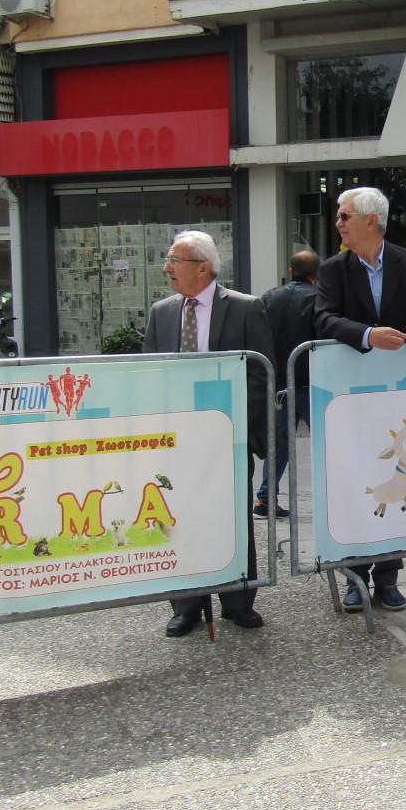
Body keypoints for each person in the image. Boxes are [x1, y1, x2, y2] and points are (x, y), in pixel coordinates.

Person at [315, 187, 406, 612]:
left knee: (396, 482)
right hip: (351, 398)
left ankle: (389, 577)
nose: (338, 223)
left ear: (370, 221)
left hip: (398, 398)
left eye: (345, 216)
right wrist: (366, 335)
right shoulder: (333, 269)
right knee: (359, 481)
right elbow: (322, 318)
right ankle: (355, 575)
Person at [143, 229, 273, 638]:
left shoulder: (245, 308)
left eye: (174, 261)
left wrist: (247, 433)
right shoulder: (162, 312)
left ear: (202, 267)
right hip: (178, 440)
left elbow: (260, 375)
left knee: (232, 517)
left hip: (227, 438)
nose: (167, 268)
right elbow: (150, 374)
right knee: (180, 517)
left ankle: (238, 600)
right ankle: (186, 605)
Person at [254, 249, 319, 520]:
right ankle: (335, 500)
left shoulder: (270, 297)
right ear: (317, 274)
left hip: (278, 382)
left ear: (291, 271)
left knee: (279, 444)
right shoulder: (319, 298)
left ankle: (265, 499)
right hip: (311, 382)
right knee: (325, 442)